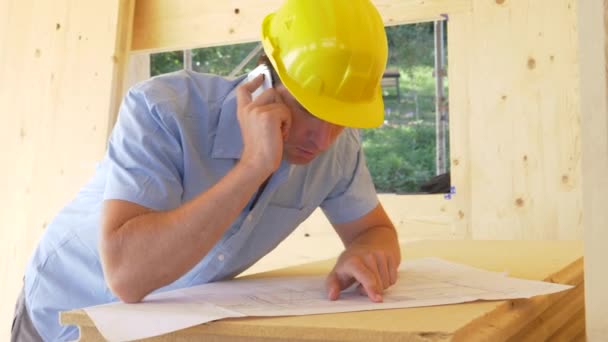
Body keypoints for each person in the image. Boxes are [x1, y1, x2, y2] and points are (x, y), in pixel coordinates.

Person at [11, 0, 401, 340]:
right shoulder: (161, 110)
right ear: (263, 79)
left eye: (340, 118)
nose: (323, 140)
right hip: (64, 313)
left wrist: (366, 252)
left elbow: (375, 231)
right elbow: (127, 276)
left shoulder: (338, 151)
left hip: (164, 323)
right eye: (309, 109)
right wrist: (253, 167)